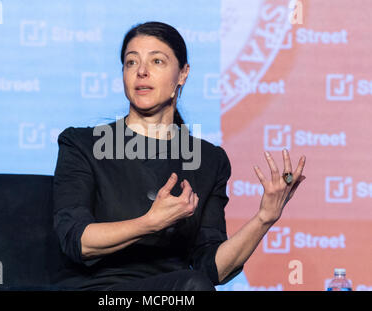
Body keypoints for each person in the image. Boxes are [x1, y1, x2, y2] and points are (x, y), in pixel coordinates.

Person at [52, 21, 306, 291]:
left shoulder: (208, 159)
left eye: (157, 61)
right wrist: (149, 223)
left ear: (182, 74)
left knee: (194, 284)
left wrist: (264, 218)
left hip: (179, 290)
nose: (141, 72)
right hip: (100, 291)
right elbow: (76, 239)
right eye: (131, 62)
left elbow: (210, 268)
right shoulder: (83, 144)